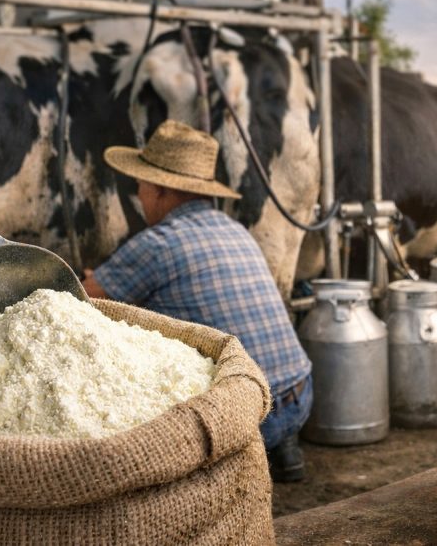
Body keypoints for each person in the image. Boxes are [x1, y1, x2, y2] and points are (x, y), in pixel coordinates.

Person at [82, 119, 312, 482]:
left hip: (248, 411)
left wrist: (93, 278)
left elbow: (84, 301)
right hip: (300, 393)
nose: (139, 198)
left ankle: (252, 448)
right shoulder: (235, 229)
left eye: (140, 186)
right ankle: (285, 449)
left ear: (160, 190)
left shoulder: (157, 243)